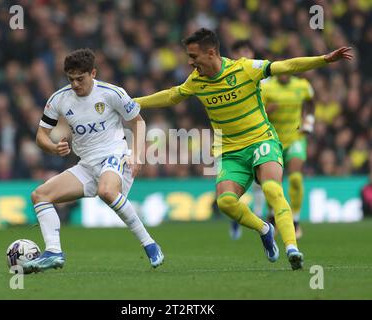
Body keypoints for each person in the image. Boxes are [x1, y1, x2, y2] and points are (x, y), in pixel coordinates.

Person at [134, 28, 352, 270]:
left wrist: (323, 59)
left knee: (272, 189)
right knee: (225, 202)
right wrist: (134, 103)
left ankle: (292, 248)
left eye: (193, 56)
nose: (190, 62)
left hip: (261, 141)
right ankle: (264, 229)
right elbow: (171, 96)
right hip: (231, 152)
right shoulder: (196, 81)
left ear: (211, 53)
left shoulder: (245, 68)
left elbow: (286, 66)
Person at [23, 48, 164, 273]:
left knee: (106, 191)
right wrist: (52, 147)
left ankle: (149, 244)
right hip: (87, 165)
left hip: (115, 156)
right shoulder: (58, 99)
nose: (76, 84)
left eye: (80, 79)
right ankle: (53, 252)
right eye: (71, 79)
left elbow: (138, 122)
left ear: (93, 73)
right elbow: (41, 135)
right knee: (40, 195)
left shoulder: (111, 93)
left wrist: (136, 155)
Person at [262, 73, 315, 240]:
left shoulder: (302, 85)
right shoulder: (266, 87)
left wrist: (309, 122)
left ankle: (296, 221)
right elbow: (256, 114)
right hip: (272, 140)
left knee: (295, 179)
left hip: (295, 138)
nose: (283, 74)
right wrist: (267, 111)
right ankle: (272, 216)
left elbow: (311, 104)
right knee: (272, 184)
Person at [228, 40, 267, 240]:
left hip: (256, 136)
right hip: (228, 138)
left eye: (248, 50)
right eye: (241, 51)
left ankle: (259, 217)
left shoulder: (263, 79)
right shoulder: (223, 79)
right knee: (233, 183)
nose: (246, 54)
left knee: (260, 180)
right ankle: (236, 216)